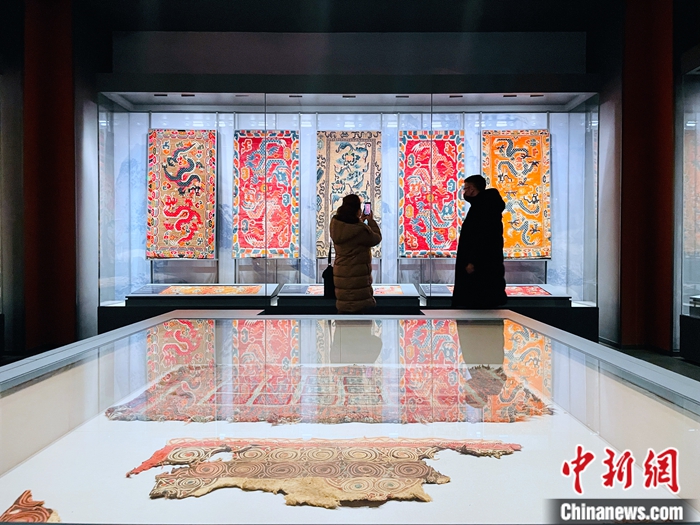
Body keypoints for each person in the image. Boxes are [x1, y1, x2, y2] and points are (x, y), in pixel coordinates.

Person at [452, 175, 507, 308]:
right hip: (484, 263)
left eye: (466, 188)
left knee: (477, 299)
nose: (465, 192)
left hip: (479, 265)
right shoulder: (485, 206)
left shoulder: (483, 208)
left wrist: (472, 261)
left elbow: (483, 238)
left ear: (472, 189)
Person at [329, 194, 382, 313]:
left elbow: (350, 230)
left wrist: (360, 221)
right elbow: (376, 238)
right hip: (357, 278)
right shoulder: (360, 230)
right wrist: (370, 221)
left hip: (341, 275)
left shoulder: (336, 225)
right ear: (357, 210)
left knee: (345, 309)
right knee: (360, 314)